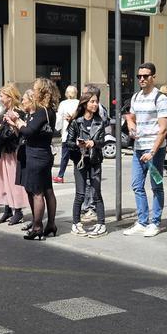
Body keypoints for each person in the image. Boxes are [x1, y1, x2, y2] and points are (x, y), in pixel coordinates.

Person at [5, 78, 59, 239]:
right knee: (47, 189)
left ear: (42, 91)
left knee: (37, 192)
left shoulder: (42, 111)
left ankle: (37, 227)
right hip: (42, 154)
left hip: (36, 155)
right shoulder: (48, 111)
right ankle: (50, 224)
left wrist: (16, 120)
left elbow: (29, 132)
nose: (33, 91)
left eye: (35, 89)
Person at [123, 62, 167, 237]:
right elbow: (131, 116)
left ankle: (155, 222)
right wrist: (130, 126)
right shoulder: (136, 97)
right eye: (139, 76)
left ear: (153, 77)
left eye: (145, 76)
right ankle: (142, 221)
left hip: (155, 151)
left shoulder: (161, 99)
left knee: (156, 186)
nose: (142, 79)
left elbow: (163, 129)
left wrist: (152, 151)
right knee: (137, 185)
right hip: (138, 148)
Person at [68, 88, 110, 236]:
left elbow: (103, 141)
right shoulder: (76, 122)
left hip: (95, 160)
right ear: (85, 103)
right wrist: (78, 144)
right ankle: (76, 224)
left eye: (96, 102)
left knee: (96, 193)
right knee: (80, 194)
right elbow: (68, 142)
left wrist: (94, 143)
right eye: (92, 101)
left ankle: (101, 224)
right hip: (80, 160)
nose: (95, 104)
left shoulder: (100, 121)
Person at [0, 84, 29, 225]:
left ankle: (17, 211)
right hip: (3, 151)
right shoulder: (6, 112)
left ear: (9, 97)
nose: (0, 98)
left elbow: (10, 135)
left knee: (14, 181)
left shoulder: (18, 112)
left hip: (12, 151)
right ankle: (7, 209)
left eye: (2, 96)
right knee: (4, 181)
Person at [54, 85, 80, 183]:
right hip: (78, 134)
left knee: (65, 156)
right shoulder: (79, 103)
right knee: (77, 155)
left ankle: (60, 176)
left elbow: (59, 118)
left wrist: (57, 129)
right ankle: (79, 175)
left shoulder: (63, 104)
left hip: (67, 133)